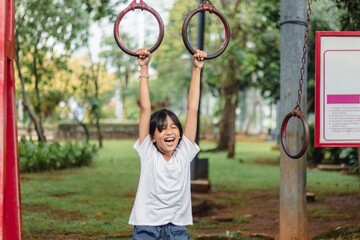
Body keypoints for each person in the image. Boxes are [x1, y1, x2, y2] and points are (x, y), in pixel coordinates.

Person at [129, 48, 207, 240]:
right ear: (153, 137)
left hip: (176, 228)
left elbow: (192, 108)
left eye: (174, 127)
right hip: (147, 226)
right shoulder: (148, 152)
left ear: (180, 133)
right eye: (162, 129)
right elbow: (145, 108)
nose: (170, 131)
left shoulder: (183, 153)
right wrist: (144, 68)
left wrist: (196, 69)